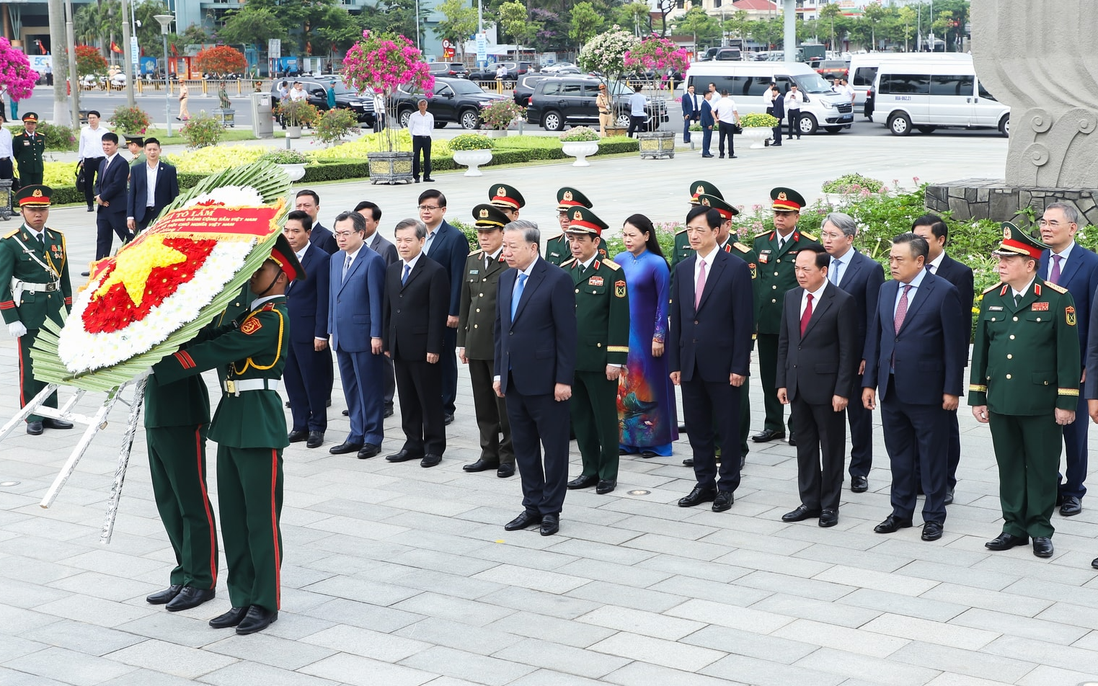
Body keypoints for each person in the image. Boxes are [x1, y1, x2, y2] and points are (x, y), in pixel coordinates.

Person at [151, 234, 303, 636]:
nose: (253, 275)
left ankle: (264, 602)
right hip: (232, 418)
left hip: (259, 422)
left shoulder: (272, 318)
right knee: (235, 521)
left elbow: (223, 348)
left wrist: (162, 367)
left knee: (261, 520)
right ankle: (241, 598)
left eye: (261, 268)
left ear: (280, 275)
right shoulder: (251, 314)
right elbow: (212, 337)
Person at [971, 223, 1079, 560]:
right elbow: (981, 352)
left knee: (1043, 467)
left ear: (1030, 264)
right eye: (999, 258)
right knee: (1010, 465)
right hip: (1002, 399)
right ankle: (1013, 526)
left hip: (1040, 402)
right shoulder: (992, 298)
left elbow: (1068, 355)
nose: (1000, 264)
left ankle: (1040, 529)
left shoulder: (1057, 299)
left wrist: (1066, 401)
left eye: (1008, 259)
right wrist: (978, 396)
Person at [863, 232, 965, 541]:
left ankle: (934, 516)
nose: (892, 264)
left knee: (932, 457)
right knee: (899, 454)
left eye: (899, 259)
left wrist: (952, 389)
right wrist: (869, 383)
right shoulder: (886, 289)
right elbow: (877, 337)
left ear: (920, 261)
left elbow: (954, 346)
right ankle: (901, 511)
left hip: (928, 391)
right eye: (890, 258)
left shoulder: (943, 292)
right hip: (891, 387)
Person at [668, 205, 754, 512]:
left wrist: (739, 365)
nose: (693, 236)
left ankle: (727, 485)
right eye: (690, 230)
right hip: (690, 362)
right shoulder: (683, 269)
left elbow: (744, 322)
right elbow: (678, 319)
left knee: (727, 428)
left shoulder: (735, 268)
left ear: (716, 231)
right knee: (697, 427)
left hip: (723, 363)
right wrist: (675, 363)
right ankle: (704, 482)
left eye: (700, 230)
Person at [495, 220, 577, 536]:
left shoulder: (557, 279)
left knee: (554, 450)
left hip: (547, 381)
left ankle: (551, 510)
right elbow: (502, 330)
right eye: (505, 245)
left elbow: (567, 334)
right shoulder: (506, 279)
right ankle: (532, 505)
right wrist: (499, 372)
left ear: (533, 247)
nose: (506, 252)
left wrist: (563, 380)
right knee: (524, 447)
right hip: (513, 378)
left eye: (512, 246)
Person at [777, 244, 858, 528]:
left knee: (832, 447)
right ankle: (809, 501)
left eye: (806, 269)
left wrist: (842, 391)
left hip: (827, 389)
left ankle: (830, 505)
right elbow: (785, 342)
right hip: (797, 384)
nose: (800, 274)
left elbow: (848, 351)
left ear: (823, 271)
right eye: (797, 268)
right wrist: (782, 381)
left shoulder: (842, 301)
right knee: (805, 446)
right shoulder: (791, 297)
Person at [142, 317, 218, 613]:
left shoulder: (183, 308)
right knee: (168, 501)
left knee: (191, 501)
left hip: (183, 409)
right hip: (157, 410)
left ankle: (201, 579)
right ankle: (184, 572)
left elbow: (196, 343)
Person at [561, 207, 630, 495]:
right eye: (571, 239)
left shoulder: (612, 273)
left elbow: (619, 319)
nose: (575, 245)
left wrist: (616, 359)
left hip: (600, 361)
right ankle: (589, 469)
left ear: (596, 241)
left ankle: (608, 472)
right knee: (581, 419)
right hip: (572, 360)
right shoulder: (565, 270)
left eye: (581, 239)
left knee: (604, 420)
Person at [1037, 203, 1098, 517]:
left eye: (1053, 223)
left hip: (1075, 364)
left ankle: (1074, 490)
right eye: (1043, 222)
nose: (1045, 228)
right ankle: (1050, 484)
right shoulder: (1036, 260)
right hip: (1038, 363)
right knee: (1043, 429)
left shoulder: (1091, 263)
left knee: (1074, 431)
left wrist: (1088, 363)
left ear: (1072, 228)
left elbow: (1094, 319)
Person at [0, 185, 73, 436]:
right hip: (28, 312)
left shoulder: (56, 238)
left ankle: (50, 412)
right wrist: (11, 318)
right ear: (22, 211)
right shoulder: (11, 243)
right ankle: (32, 414)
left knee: (52, 362)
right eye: (32, 209)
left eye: (43, 209)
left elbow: (64, 279)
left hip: (54, 310)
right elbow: (2, 285)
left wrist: (69, 311)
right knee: (31, 366)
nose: (38, 214)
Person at [819, 212, 884, 493]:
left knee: (858, 416)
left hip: (855, 355)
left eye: (833, 235)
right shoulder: (819, 263)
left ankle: (859, 469)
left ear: (849, 237)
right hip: (823, 353)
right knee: (827, 414)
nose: (827, 240)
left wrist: (868, 356)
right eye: (824, 234)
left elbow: (874, 318)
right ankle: (830, 468)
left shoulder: (869, 268)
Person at [912, 213, 973, 504]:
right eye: (914, 237)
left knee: (945, 426)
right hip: (912, 365)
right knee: (914, 425)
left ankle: (946, 481)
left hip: (941, 366)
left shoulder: (958, 273)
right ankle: (918, 477)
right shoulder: (909, 268)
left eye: (923, 238)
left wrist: (954, 376)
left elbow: (960, 329)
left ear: (940, 240)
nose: (917, 243)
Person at [753, 187, 820, 446]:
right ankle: (773, 424)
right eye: (776, 213)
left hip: (794, 319)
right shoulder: (761, 242)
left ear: (796, 216)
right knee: (769, 373)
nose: (779, 218)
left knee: (795, 372)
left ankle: (797, 426)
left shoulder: (807, 244)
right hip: (767, 318)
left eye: (785, 214)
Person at [383, 218, 450, 468]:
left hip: (423, 348)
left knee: (429, 399)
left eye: (408, 240)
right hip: (399, 345)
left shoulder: (434, 271)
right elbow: (388, 308)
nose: (402, 245)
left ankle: (434, 446)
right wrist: (388, 340)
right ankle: (412, 442)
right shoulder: (392, 270)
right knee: (407, 398)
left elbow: (437, 313)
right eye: (399, 240)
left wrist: (434, 347)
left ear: (421, 241)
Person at [460, 204, 516, 478]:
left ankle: (508, 455)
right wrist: (462, 342)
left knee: (504, 405)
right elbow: (466, 304)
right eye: (480, 232)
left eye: (489, 232)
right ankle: (488, 452)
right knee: (483, 403)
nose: (483, 237)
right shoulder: (472, 260)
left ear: (502, 232)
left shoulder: (510, 262)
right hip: (476, 342)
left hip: (500, 345)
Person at [615, 213, 677, 457]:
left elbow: (663, 302)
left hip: (648, 335)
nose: (627, 239)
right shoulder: (619, 260)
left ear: (647, 235)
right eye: (624, 235)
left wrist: (658, 336)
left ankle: (655, 441)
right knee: (625, 384)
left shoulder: (657, 264)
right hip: (624, 333)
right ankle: (626, 439)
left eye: (632, 235)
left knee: (650, 385)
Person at [328, 211, 387, 460]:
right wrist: (331, 328)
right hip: (342, 334)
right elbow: (333, 297)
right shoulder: (335, 259)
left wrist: (376, 334)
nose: (341, 238)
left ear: (361, 233)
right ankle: (356, 434)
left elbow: (377, 300)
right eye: (337, 234)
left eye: (346, 233)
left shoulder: (373, 260)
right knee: (351, 388)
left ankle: (373, 437)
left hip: (365, 336)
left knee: (369, 389)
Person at [418, 189, 470, 424]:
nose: (426, 211)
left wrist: (454, 311)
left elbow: (459, 276)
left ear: (443, 210)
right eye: (422, 207)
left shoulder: (454, 237)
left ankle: (447, 406)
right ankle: (429, 402)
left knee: (445, 358)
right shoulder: (418, 234)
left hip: (444, 310)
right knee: (425, 357)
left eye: (431, 207)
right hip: (422, 309)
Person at [282, 210, 332, 449]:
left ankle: (317, 427)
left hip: (310, 332)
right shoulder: (280, 256)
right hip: (285, 330)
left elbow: (324, 299)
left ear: (308, 233)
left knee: (313, 381)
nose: (290, 236)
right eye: (287, 231)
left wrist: (321, 333)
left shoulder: (321, 259)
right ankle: (299, 424)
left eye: (296, 231)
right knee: (292, 379)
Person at [356, 200, 398, 418]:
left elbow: (390, 283)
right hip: (359, 312)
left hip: (380, 309)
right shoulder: (353, 244)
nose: (360, 224)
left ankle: (386, 400)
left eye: (364, 220)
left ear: (376, 222)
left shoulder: (386, 247)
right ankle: (364, 400)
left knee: (382, 358)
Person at [126, 138, 179, 235]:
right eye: (149, 149)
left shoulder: (169, 170)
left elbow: (174, 194)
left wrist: (174, 214)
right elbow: (132, 193)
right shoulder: (136, 170)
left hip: (162, 214)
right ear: (144, 151)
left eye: (155, 149)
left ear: (160, 150)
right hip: (142, 214)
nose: (152, 152)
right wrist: (130, 216)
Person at [93, 132, 131, 260]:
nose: (106, 147)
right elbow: (98, 182)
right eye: (104, 144)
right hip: (103, 208)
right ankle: (99, 265)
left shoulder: (122, 162)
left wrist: (103, 197)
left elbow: (117, 184)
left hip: (116, 208)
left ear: (116, 145)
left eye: (108, 144)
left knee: (125, 236)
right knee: (102, 239)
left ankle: (137, 258)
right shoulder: (103, 162)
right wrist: (99, 197)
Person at [546, 187, 605, 266]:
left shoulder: (593, 242)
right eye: (561, 215)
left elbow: (602, 269)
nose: (564, 220)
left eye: (568, 215)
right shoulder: (552, 243)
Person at [77, 111, 109, 212]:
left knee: (103, 181)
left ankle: (103, 201)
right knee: (88, 183)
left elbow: (108, 145)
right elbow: (82, 145)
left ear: (99, 119)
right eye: (90, 118)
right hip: (88, 159)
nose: (91, 120)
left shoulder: (104, 131)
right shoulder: (84, 130)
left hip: (102, 159)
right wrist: (80, 159)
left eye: (93, 118)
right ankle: (90, 204)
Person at [13, 112, 44, 186]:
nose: (30, 126)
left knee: (38, 189)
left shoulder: (40, 137)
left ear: (35, 125)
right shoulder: (19, 138)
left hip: (38, 168)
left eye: (32, 124)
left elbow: (41, 150)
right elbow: (15, 152)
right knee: (26, 189)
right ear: (24, 125)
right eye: (28, 124)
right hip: (25, 168)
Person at [409, 99, 435, 183]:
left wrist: (428, 134)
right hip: (417, 137)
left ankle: (427, 176)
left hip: (426, 137)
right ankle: (416, 176)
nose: (422, 106)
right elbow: (410, 127)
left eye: (424, 105)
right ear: (418, 106)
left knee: (427, 157)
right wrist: (413, 136)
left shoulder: (430, 116)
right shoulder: (414, 116)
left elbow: (431, 127)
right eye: (421, 105)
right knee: (416, 157)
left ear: (426, 106)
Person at [713, 89, 739, 159]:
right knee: (730, 139)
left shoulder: (719, 102)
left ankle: (721, 154)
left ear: (721, 95)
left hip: (721, 122)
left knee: (721, 138)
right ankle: (731, 154)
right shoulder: (731, 102)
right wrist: (738, 120)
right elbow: (735, 112)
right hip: (729, 122)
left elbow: (712, 111)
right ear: (728, 94)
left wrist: (716, 118)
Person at [699, 91, 715, 158]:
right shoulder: (704, 104)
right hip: (706, 124)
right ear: (706, 95)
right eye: (710, 95)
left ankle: (707, 151)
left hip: (709, 123)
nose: (711, 96)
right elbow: (705, 115)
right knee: (706, 138)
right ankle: (705, 152)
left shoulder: (707, 103)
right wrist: (709, 124)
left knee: (708, 138)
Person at [0, 113, 13, 187]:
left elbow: (10, 148)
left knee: (7, 185)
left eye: (0, 120)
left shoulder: (6, 132)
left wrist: (11, 163)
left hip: (6, 161)